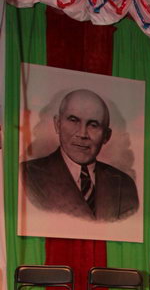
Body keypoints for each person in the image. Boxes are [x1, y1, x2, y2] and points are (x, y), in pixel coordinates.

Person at [21, 89, 139, 222]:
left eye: (93, 125)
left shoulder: (124, 185)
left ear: (106, 135)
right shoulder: (27, 176)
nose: (82, 134)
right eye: (73, 120)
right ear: (58, 124)